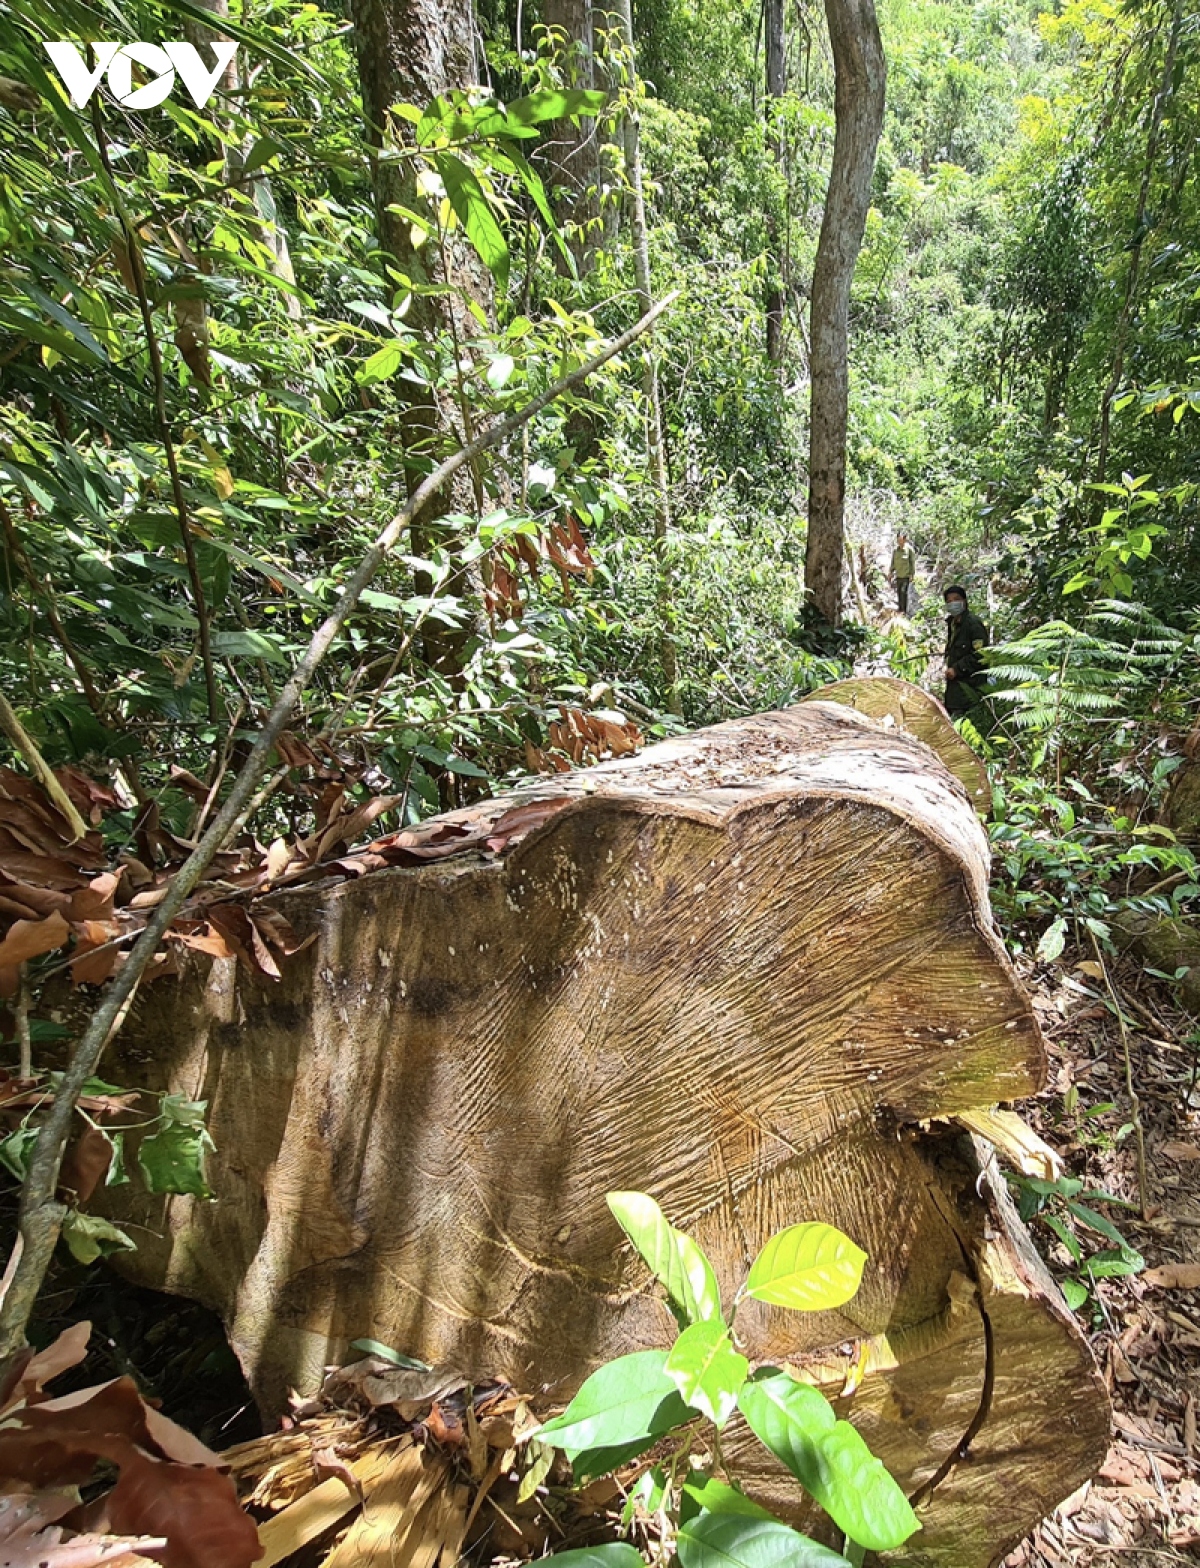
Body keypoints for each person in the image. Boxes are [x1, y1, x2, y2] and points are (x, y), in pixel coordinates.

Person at [943, 585, 989, 716]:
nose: (953, 604)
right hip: (956, 690)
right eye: (949, 601)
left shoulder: (972, 624)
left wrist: (957, 669)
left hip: (970, 688)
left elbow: (981, 655)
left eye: (956, 599)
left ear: (964, 601)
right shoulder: (953, 624)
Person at [889, 533, 916, 613]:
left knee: (904, 592)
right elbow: (893, 562)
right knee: (899, 593)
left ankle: (904, 610)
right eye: (898, 540)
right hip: (898, 575)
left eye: (901, 540)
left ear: (904, 540)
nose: (899, 542)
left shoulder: (909, 550)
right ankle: (900, 609)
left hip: (906, 576)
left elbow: (912, 563)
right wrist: (890, 572)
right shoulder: (895, 550)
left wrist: (912, 574)